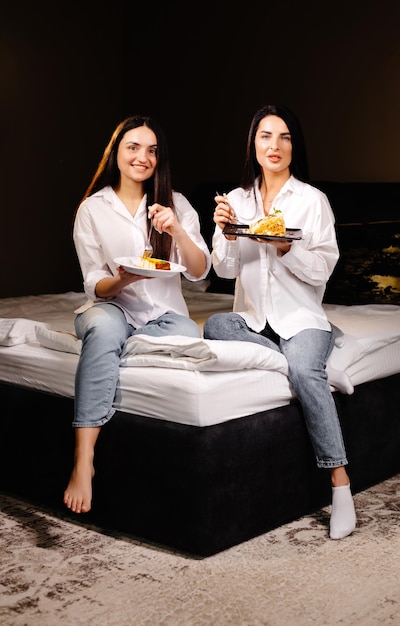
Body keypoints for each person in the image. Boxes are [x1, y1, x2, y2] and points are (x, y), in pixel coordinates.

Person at [203, 104, 356, 540]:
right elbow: (227, 270)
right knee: (216, 327)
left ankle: (341, 486)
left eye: (284, 137)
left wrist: (287, 249)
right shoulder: (234, 201)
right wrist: (228, 234)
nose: (275, 145)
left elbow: (324, 269)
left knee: (303, 367)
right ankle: (319, 369)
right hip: (252, 320)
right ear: (253, 144)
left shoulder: (311, 201)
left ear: (294, 146)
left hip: (301, 318)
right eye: (266, 136)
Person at [64, 114, 211, 515]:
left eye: (152, 150)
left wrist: (177, 230)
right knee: (104, 327)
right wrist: (124, 280)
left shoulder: (175, 203)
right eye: (133, 147)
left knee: (189, 337)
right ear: (116, 153)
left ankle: (111, 350)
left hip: (164, 316)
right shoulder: (92, 209)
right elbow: (94, 282)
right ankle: (84, 458)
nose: (142, 157)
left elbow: (199, 273)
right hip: (111, 305)